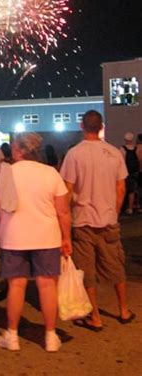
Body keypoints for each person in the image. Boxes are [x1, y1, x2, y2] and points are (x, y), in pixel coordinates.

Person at [0, 132, 71, 353]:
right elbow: (63, 211)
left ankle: (12, 336)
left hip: (14, 236)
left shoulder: (6, 173)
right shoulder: (50, 173)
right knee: (47, 285)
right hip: (47, 236)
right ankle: (50, 336)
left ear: (19, 151)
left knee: (16, 285)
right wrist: (66, 237)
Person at [60, 109, 134, 330]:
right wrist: (115, 211)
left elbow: (67, 188)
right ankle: (123, 310)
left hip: (83, 221)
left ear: (82, 126)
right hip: (109, 220)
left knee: (87, 269)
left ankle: (95, 317)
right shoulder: (114, 153)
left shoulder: (74, 154)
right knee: (116, 265)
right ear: (101, 127)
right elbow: (121, 187)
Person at [120, 132, 139, 214]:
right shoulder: (136, 148)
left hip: (126, 171)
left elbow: (122, 161)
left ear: (125, 139)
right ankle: (131, 208)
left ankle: (122, 207)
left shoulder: (122, 149)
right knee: (132, 190)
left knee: (123, 189)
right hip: (134, 172)